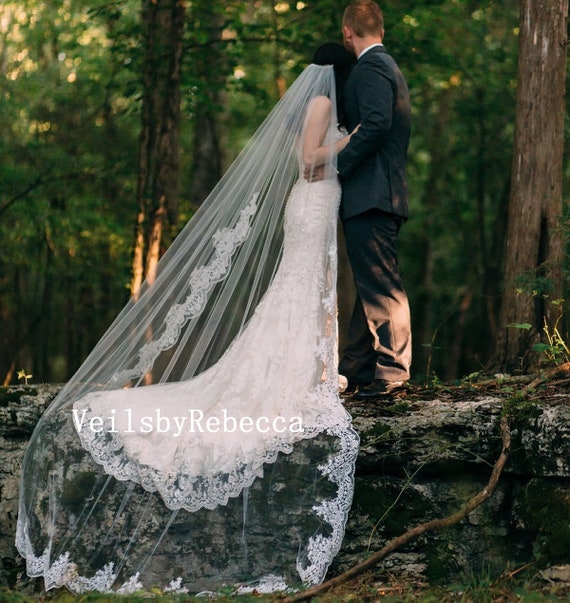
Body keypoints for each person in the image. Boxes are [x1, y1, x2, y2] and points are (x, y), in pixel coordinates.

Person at [15, 45, 360, 595]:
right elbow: (307, 159)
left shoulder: (324, 96)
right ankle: (297, 373)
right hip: (312, 201)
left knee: (309, 289)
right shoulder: (322, 97)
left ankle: (314, 368)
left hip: (321, 203)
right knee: (299, 286)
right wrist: (349, 140)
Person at [337, 0, 412, 400]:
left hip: (372, 193)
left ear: (348, 31)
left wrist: (337, 166)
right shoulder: (387, 66)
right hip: (380, 192)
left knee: (382, 286)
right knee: (370, 286)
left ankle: (392, 372)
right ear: (380, 29)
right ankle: (357, 367)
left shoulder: (370, 68)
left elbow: (377, 124)